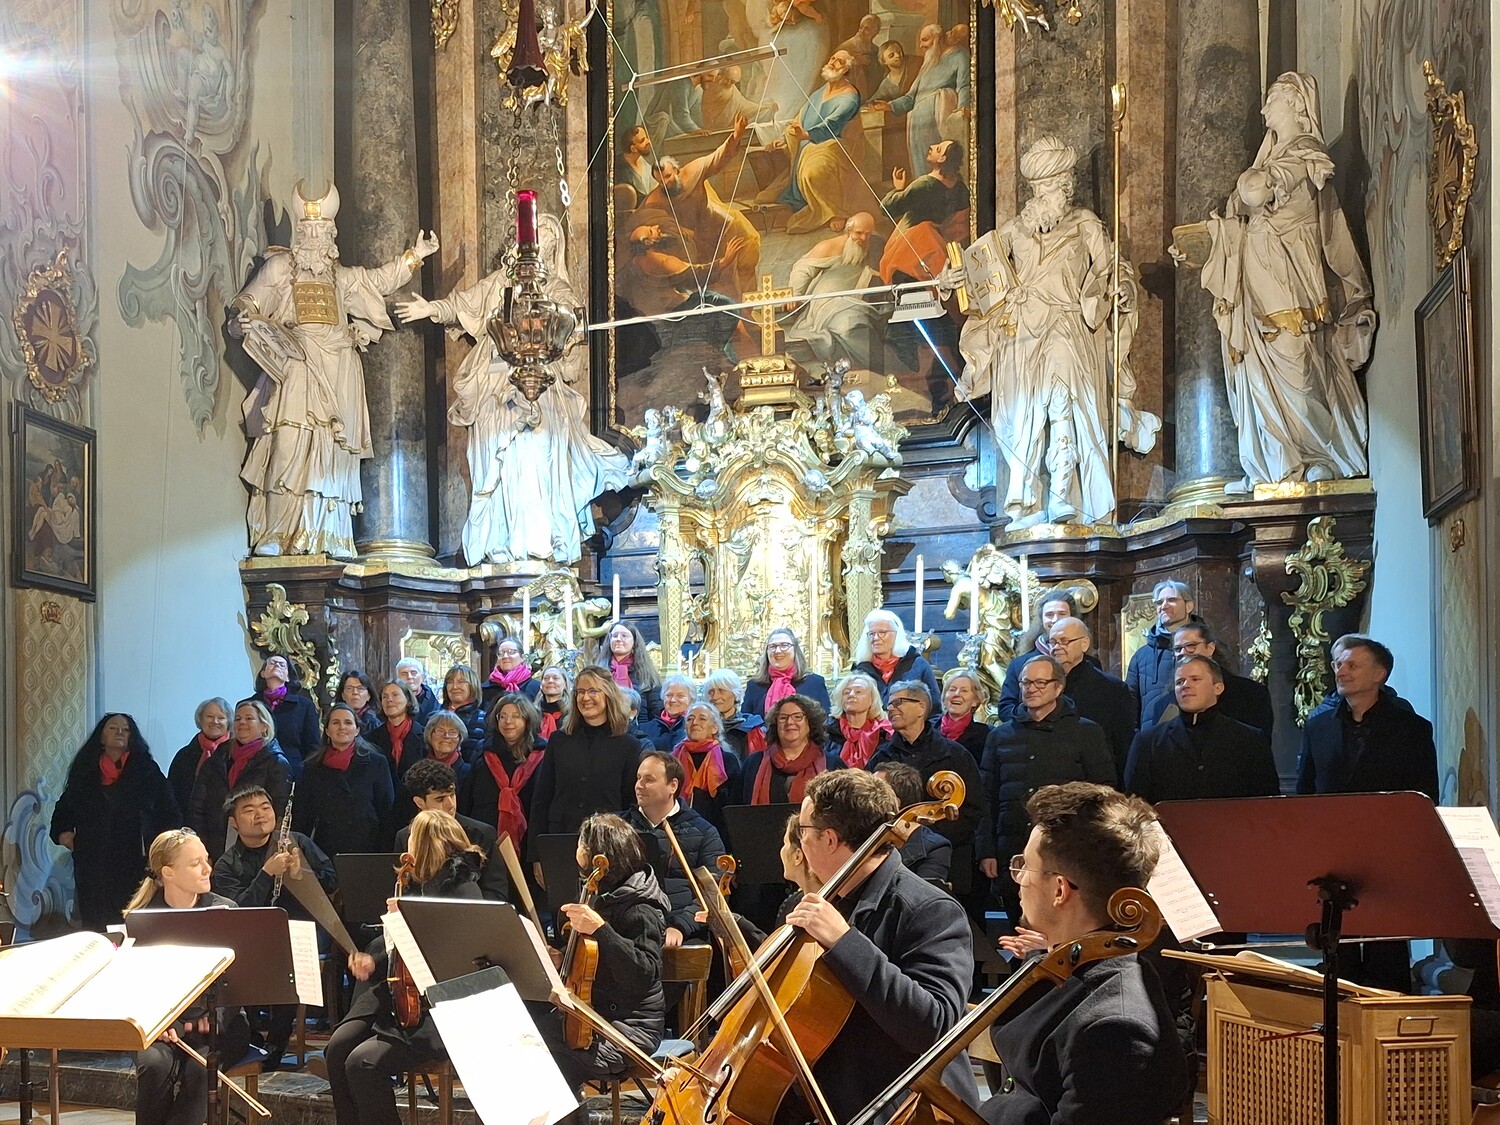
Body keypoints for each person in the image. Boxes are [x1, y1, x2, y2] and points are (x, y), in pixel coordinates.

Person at [392, 216, 630, 567]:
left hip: (540, 384)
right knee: (494, 455)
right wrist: (431, 309)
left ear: (555, 249)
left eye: (549, 239)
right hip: (494, 379)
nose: (541, 244)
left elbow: (572, 322)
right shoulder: (499, 283)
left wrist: (559, 322)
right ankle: (498, 540)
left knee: (535, 453)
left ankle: (535, 541)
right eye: (537, 237)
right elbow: (462, 305)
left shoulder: (558, 290)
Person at [956, 134, 1158, 527]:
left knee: (1065, 403)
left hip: (1066, 325)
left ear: (1066, 186)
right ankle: (1027, 501)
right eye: (1038, 187)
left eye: (1051, 186)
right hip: (1019, 335)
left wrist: (1121, 287)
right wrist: (958, 279)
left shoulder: (1085, 225)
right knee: (1021, 417)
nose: (1043, 195)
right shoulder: (1015, 230)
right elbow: (981, 272)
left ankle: (1065, 493)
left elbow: (1113, 267)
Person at [1188, 71, 1375, 492]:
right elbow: (1242, 213)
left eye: (1271, 100)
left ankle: (1319, 455)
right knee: (1256, 370)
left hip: (1290, 277)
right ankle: (1275, 463)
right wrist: (1206, 245)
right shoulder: (1269, 160)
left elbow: (1257, 193)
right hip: (1254, 284)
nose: (1263, 109)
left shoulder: (1306, 153)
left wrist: (1252, 183)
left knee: (1298, 362)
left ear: (1296, 104)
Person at [229, 181, 437, 558]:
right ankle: (278, 530)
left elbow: (379, 280)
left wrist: (414, 256)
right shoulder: (280, 268)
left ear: (332, 235)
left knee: (331, 452)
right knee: (288, 443)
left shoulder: (341, 279)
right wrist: (242, 318)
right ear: (299, 234)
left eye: (322, 230)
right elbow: (249, 301)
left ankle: (325, 534)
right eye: (308, 230)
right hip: (297, 367)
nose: (315, 236)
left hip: (339, 369)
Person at [980, 783, 1190, 1123]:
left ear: (1060, 890)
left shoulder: (1115, 1033)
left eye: (1025, 866)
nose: (1018, 879)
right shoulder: (1066, 967)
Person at [780, 769, 978, 1121]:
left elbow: (935, 1025)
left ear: (829, 839)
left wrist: (844, 942)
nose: (800, 841)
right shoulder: (833, 900)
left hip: (900, 1107)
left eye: (804, 831)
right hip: (833, 1094)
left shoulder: (929, 909)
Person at [326, 810, 486, 1125]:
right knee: (337, 1048)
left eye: (412, 838)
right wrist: (374, 958)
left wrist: (409, 920)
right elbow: (396, 945)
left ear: (426, 844)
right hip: (398, 993)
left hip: (435, 1007)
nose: (407, 844)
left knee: (362, 1063)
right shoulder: (416, 884)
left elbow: (458, 956)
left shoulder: (463, 888)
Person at [124, 828, 253, 1125]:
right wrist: (161, 1022)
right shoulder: (142, 918)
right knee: (154, 1065)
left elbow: (238, 984)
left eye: (207, 860)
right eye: (196, 863)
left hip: (221, 1024)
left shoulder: (225, 911)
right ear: (167, 872)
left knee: (201, 1070)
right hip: (161, 1027)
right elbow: (135, 985)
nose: (208, 869)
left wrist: (215, 1018)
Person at [539, 813, 669, 1100]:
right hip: (594, 1016)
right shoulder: (602, 893)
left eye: (581, 844)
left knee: (552, 1061)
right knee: (524, 1037)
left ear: (598, 854)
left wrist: (601, 930)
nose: (577, 851)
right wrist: (562, 959)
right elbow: (596, 963)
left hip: (630, 1027)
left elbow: (642, 975)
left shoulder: (641, 908)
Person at [977, 655, 1116, 921]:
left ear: (1058, 687)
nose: (1031, 689)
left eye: (1040, 683)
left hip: (1066, 849)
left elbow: (1104, 791)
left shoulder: (1086, 732)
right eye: (1026, 683)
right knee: (1018, 931)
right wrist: (987, 851)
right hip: (1013, 849)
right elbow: (987, 796)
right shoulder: (1000, 736)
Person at [213, 784, 338, 1067]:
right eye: (249, 810)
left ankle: (275, 1044)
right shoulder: (227, 865)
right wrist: (266, 874)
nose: (260, 814)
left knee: (287, 958)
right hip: (251, 940)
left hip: (299, 934)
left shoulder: (297, 842)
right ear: (233, 822)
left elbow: (332, 881)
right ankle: (250, 1038)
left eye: (265, 807)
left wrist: (301, 874)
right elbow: (237, 912)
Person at [51, 714, 180, 931]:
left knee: (132, 921)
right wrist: (65, 835)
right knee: (95, 923)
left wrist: (160, 849)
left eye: (126, 729)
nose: (120, 732)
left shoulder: (146, 769)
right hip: (93, 862)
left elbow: (170, 811)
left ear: (132, 737)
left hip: (135, 860)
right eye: (113, 728)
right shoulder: (86, 769)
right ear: (101, 737)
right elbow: (64, 809)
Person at [527, 667, 644, 885]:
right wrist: (536, 855)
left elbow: (631, 804)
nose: (585, 698)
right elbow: (541, 799)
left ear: (608, 695)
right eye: (580, 692)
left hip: (607, 847)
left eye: (593, 691)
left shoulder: (628, 745)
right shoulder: (559, 741)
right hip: (561, 840)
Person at [868, 680, 985, 896]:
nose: (890, 708)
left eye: (898, 702)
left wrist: (929, 839)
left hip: (950, 860)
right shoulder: (881, 757)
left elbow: (974, 809)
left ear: (921, 707)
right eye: (889, 704)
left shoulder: (955, 755)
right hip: (891, 861)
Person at [1296, 634, 1437, 799]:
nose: (1340, 672)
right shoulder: (1317, 727)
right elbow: (1304, 794)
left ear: (1378, 674)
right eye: (1338, 665)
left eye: (1352, 666)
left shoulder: (1413, 729)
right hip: (1330, 816)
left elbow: (1424, 798)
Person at [1125, 655, 1281, 803]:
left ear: (1218, 688)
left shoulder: (1249, 740)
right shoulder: (1148, 742)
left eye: (1195, 679)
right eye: (1179, 682)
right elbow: (1135, 805)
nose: (1185, 685)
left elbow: (1266, 802)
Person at [638, 115, 760, 299]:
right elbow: (642, 219)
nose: (666, 183)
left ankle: (749, 304)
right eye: (661, 181)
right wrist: (676, 229)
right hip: (699, 241)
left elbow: (718, 157)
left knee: (747, 254)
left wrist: (736, 135)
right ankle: (730, 312)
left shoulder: (693, 170)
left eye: (668, 176)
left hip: (721, 225)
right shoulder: (657, 198)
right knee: (719, 279)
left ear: (677, 170)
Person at [622, 752, 727, 947]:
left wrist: (681, 926)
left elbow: (713, 892)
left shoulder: (704, 831)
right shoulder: (620, 828)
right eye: (638, 778)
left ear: (673, 785)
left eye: (649, 779)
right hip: (629, 927)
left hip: (683, 929)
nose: (639, 785)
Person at [189, 700, 291, 860]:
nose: (242, 722)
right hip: (213, 845)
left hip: (255, 851)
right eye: (238, 719)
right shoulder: (219, 756)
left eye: (249, 718)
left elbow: (280, 812)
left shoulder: (276, 762)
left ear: (264, 726)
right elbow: (197, 805)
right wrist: (200, 845)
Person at [775, 51, 863, 235]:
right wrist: (785, 138)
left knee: (813, 173)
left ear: (846, 69)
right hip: (808, 144)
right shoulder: (819, 92)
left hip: (834, 145)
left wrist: (807, 134)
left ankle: (834, 212)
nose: (833, 62)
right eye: (832, 58)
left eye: (839, 62)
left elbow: (832, 125)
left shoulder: (850, 97)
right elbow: (799, 118)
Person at [395, 760, 509, 902]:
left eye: (452, 794)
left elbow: (496, 892)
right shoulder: (405, 836)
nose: (451, 804)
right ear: (419, 802)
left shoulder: (482, 833)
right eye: (440, 799)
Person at [784, 212, 884, 372]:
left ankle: (876, 368)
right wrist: (795, 295)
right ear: (848, 231)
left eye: (868, 234)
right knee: (849, 325)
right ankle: (866, 367)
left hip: (854, 301)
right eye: (859, 233)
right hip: (827, 303)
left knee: (863, 323)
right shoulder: (828, 246)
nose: (863, 238)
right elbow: (802, 270)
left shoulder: (874, 246)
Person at [294, 704, 396, 858]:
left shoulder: (376, 762)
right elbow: (303, 815)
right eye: (336, 722)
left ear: (357, 730)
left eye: (348, 722)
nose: (342, 727)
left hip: (368, 847)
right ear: (327, 730)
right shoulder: (312, 767)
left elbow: (387, 811)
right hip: (326, 850)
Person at [1144, 622, 1275, 742]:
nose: (1183, 653)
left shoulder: (1251, 694)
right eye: (1178, 649)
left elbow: (1258, 747)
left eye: (1191, 646)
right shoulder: (1163, 705)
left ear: (1210, 648)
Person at [869, 23, 970, 176]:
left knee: (941, 166)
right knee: (922, 169)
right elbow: (911, 96)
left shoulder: (959, 55)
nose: (921, 46)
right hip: (916, 127)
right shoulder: (928, 62)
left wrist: (963, 108)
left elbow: (964, 85)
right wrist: (890, 105)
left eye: (925, 40)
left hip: (938, 118)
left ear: (937, 38)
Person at [1048, 617, 1137, 779]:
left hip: (1095, 777)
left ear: (1084, 644)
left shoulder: (1112, 689)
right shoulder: (1041, 685)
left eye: (1064, 641)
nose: (1056, 647)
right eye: (1052, 642)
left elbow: (1123, 746)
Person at [462, 691, 547, 852]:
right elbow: (468, 800)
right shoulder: (484, 754)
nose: (508, 721)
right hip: (486, 840)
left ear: (527, 720)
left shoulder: (543, 756)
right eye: (502, 716)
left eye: (516, 716)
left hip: (529, 842)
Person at [996, 589, 1082, 721]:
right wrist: (1033, 719)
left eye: (1062, 614)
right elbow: (1005, 708)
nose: (1055, 620)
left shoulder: (1086, 664)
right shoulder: (1019, 664)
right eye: (1049, 614)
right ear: (1041, 620)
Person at [741, 694, 842, 805]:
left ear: (810, 723)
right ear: (775, 725)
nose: (789, 722)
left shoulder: (833, 765)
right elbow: (736, 809)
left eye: (797, 717)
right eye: (783, 718)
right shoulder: (754, 763)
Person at [1124, 580, 1202, 722]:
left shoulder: (1205, 646)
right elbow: (1130, 703)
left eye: (1171, 600)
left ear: (1189, 606)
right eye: (1159, 602)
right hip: (1153, 733)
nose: (1164, 606)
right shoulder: (1141, 656)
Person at [670, 702, 742, 838]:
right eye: (690, 719)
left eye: (702, 718)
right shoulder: (673, 760)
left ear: (714, 728)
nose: (695, 722)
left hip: (716, 832)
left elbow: (733, 803)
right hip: (677, 830)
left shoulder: (727, 760)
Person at [873, 761, 952, 883]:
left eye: (874, 792)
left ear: (895, 802)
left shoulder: (935, 848)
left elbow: (920, 893)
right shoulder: (859, 832)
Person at [252, 653, 321, 780]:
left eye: (282, 665)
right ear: (262, 673)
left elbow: (313, 747)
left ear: (288, 677)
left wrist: (304, 773)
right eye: (272, 663)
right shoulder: (249, 705)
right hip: (254, 771)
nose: (277, 665)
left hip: (293, 773)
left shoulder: (304, 706)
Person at [851, 608, 940, 705]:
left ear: (897, 634)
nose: (875, 638)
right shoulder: (861, 671)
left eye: (882, 632)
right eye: (872, 634)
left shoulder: (918, 665)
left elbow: (935, 706)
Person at [167, 697, 232, 826]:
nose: (215, 721)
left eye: (221, 717)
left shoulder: (236, 754)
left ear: (229, 722)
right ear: (200, 719)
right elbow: (171, 795)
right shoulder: (184, 756)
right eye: (209, 716)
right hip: (187, 825)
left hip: (226, 827)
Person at [744, 628, 831, 718]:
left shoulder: (815, 683)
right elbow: (746, 721)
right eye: (773, 646)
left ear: (795, 650)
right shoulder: (754, 686)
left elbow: (825, 720)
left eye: (784, 645)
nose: (778, 651)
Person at [598, 620, 665, 720]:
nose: (618, 639)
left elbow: (656, 712)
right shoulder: (599, 674)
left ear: (634, 642)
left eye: (624, 636)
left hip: (640, 727)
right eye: (615, 636)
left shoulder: (647, 675)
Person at [826, 671, 891, 769]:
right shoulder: (828, 732)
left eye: (858, 692)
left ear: (872, 699)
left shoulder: (885, 733)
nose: (851, 695)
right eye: (846, 692)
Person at [367, 680, 425, 786]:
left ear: (408, 700)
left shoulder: (425, 736)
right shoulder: (371, 738)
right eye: (384, 697)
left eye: (395, 695)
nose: (389, 700)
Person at [701, 668, 767, 759]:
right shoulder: (701, 727)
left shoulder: (753, 729)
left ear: (735, 694)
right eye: (711, 692)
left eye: (721, 690)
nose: (715, 697)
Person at [936, 668, 990, 762]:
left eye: (964, 691)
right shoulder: (929, 729)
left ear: (975, 700)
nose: (957, 694)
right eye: (952, 689)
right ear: (944, 697)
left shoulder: (985, 735)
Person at [440, 665, 487, 760]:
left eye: (461, 682)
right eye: (450, 682)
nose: (455, 687)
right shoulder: (433, 717)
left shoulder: (485, 719)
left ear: (472, 685)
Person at [482, 636, 541, 711]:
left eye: (511, 652)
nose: (505, 656)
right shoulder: (486, 688)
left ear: (522, 657)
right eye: (501, 653)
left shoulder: (536, 688)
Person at [645, 673, 696, 751]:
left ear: (691, 700)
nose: (673, 700)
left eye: (680, 696)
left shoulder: (696, 726)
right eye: (669, 695)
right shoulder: (646, 728)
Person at [395, 658, 440, 725]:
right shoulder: (391, 701)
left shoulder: (434, 705)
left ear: (422, 677)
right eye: (404, 674)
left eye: (414, 673)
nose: (409, 677)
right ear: (397, 678)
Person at [336, 670, 381, 734]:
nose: (355, 692)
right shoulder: (334, 719)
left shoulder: (375, 724)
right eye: (349, 688)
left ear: (369, 695)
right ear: (342, 695)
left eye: (360, 688)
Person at [536, 664, 570, 740]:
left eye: (555, 678)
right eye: (546, 678)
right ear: (541, 685)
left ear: (565, 684)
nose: (550, 681)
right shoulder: (533, 714)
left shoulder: (572, 715)